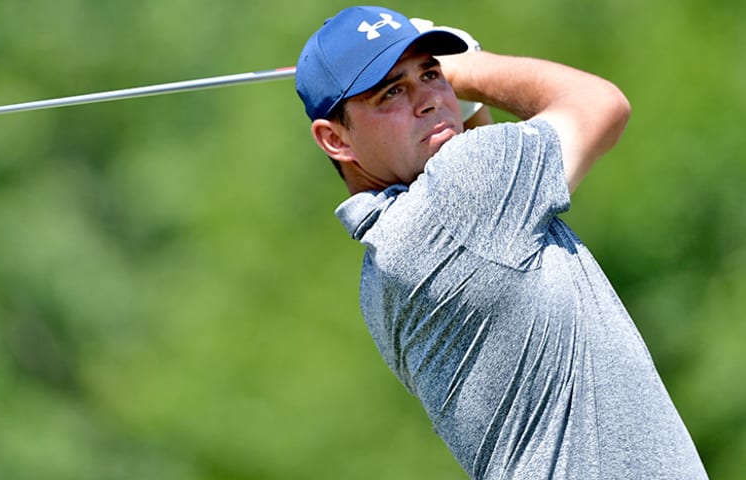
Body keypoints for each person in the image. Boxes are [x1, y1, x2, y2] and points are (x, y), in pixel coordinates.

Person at [295, 6, 708, 479]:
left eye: (431, 73)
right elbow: (602, 103)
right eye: (392, 91)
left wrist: (458, 108)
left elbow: (502, 222)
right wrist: (469, 71)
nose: (428, 98)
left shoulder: (381, 272)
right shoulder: (465, 191)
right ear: (334, 139)